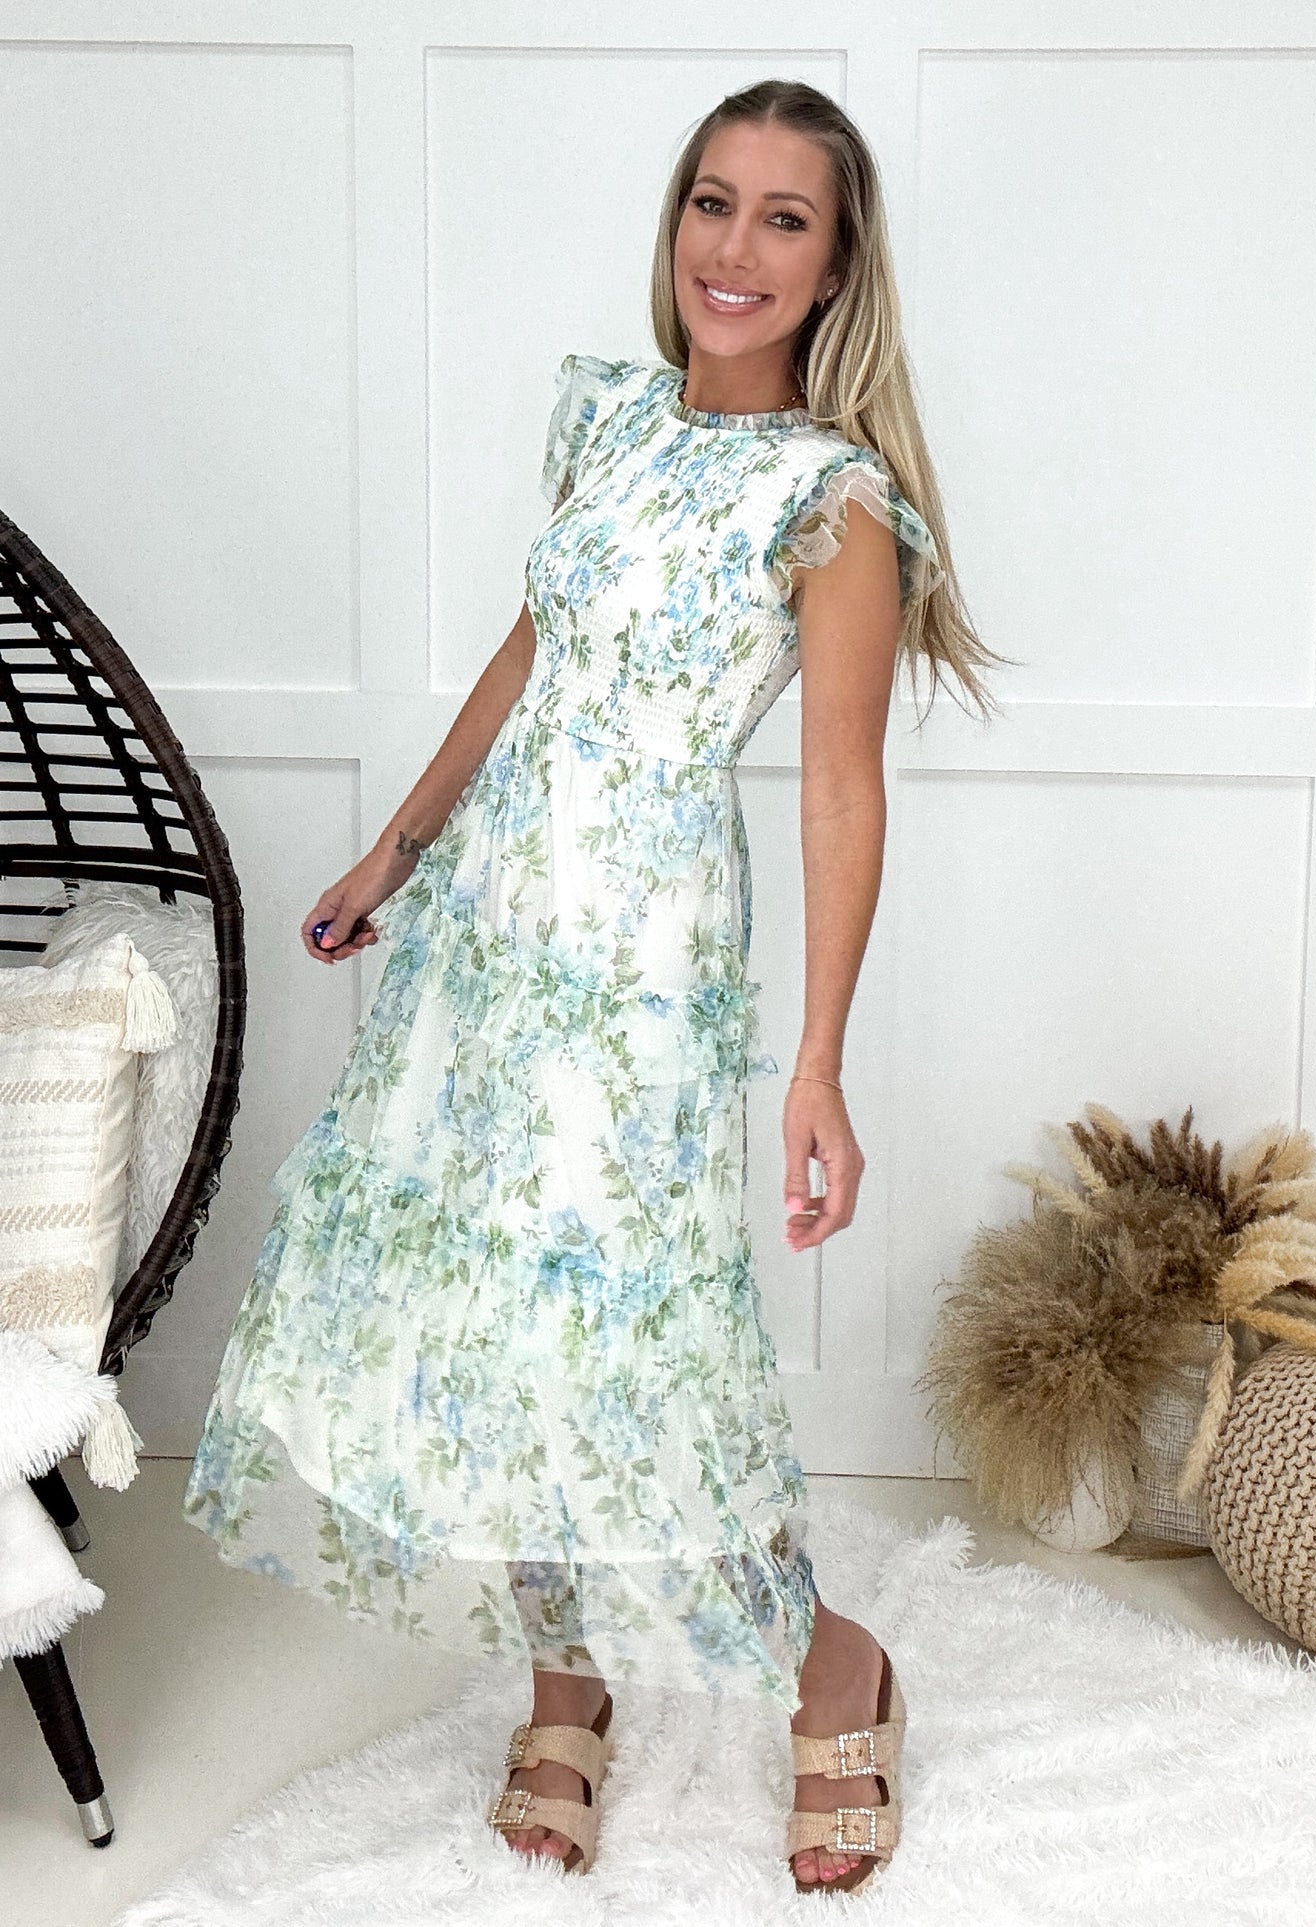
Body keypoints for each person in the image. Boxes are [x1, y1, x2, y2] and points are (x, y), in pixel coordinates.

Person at [182, 77, 1006, 1895]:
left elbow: (842, 791)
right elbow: (532, 647)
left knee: (633, 1337)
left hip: (639, 958)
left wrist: (817, 1063)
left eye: (784, 218)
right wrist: (400, 845)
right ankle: (567, 1681)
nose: (736, 248)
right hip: (492, 931)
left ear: (835, 264)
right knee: (501, 1320)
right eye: (713, 202)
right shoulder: (610, 419)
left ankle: (832, 1670)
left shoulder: (831, 503)